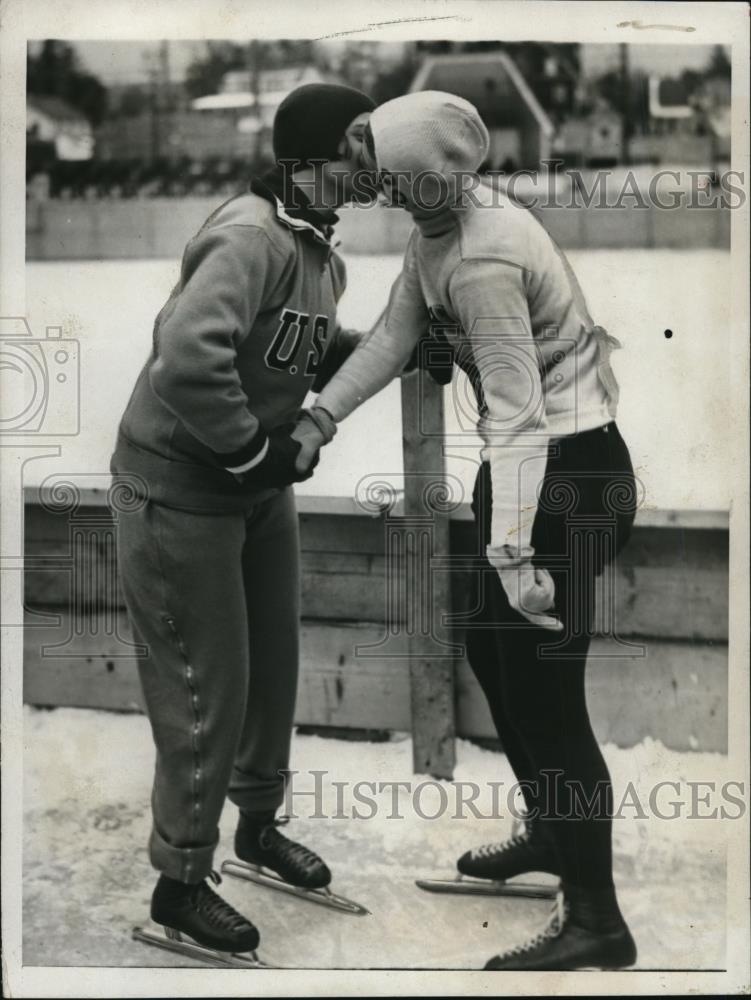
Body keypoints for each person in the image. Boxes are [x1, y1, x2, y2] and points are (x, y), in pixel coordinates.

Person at [297, 90, 639, 971]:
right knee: (495, 657)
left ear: (418, 177)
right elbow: (390, 338)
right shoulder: (439, 226)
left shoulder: (483, 258)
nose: (364, 176)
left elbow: (519, 416)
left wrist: (515, 551)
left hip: (563, 479)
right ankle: (554, 839)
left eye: (376, 164)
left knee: (546, 702)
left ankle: (596, 920)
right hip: (535, 475)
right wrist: (318, 417)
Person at [110, 83, 376, 963]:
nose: (368, 172)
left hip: (250, 487)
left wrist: (373, 350)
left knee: (270, 668)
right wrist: (246, 455)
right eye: (354, 154)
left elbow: (296, 340)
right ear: (307, 162)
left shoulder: (319, 253)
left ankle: (257, 827)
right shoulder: (250, 235)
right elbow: (188, 361)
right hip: (183, 486)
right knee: (203, 689)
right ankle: (181, 881)